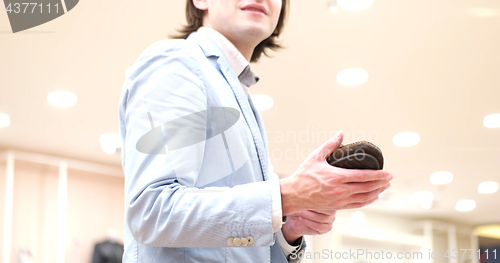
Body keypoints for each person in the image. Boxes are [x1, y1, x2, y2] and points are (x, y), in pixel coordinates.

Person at [118, 0, 394, 262]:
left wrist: (288, 228)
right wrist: (290, 194)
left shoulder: (240, 94)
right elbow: (152, 212)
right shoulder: (178, 61)